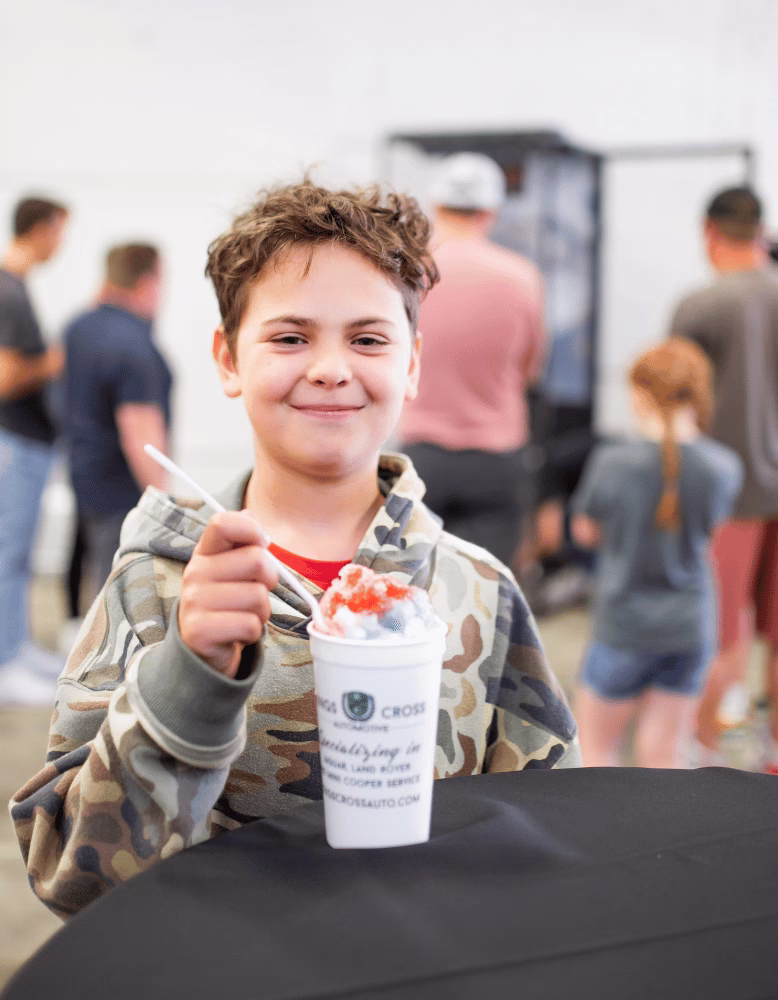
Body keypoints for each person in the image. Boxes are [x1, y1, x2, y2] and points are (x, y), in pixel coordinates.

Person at [11, 179, 580, 917]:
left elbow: (548, 841)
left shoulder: (482, 591)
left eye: (368, 339)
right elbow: (70, 878)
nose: (331, 368)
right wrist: (186, 679)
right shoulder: (155, 589)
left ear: (412, 365)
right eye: (289, 337)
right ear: (227, 359)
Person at [571, 339, 742, 768]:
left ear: (641, 394)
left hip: (623, 624)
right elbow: (711, 531)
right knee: (663, 758)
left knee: (596, 753)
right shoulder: (724, 467)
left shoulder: (612, 462)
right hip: (690, 627)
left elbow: (585, 532)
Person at [670, 187, 778, 770]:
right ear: (760, 232)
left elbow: (673, 406)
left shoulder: (701, 306)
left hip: (727, 497)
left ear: (709, 232)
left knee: (720, 631)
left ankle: (704, 754)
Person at [398, 152, 545, 566]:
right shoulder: (522, 276)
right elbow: (531, 368)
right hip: (496, 456)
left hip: (422, 455)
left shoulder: (410, 272)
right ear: (490, 211)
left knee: (415, 584)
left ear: (436, 206)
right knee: (487, 586)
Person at [60, 243, 172, 643]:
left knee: (87, 561)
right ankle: (100, 659)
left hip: (83, 471)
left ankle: (75, 633)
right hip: (121, 487)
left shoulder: (78, 328)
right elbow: (140, 432)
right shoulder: (134, 346)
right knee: (116, 587)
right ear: (149, 282)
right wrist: (161, 500)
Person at [0, 195, 68, 703]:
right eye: (60, 232)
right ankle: (6, 665)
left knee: (20, 554)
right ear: (41, 230)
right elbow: (5, 378)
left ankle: (17, 647)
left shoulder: (17, 286)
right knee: (8, 553)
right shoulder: (8, 290)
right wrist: (53, 362)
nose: (61, 243)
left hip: (29, 442)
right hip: (15, 441)